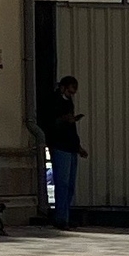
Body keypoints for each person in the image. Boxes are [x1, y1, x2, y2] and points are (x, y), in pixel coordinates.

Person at [39, 76, 86, 229]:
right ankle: (60, 217)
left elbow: (71, 128)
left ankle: (65, 216)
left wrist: (78, 147)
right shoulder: (52, 101)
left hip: (70, 146)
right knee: (62, 183)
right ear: (63, 87)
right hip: (60, 146)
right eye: (70, 90)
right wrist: (64, 120)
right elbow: (48, 123)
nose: (72, 94)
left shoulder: (68, 102)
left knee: (69, 185)